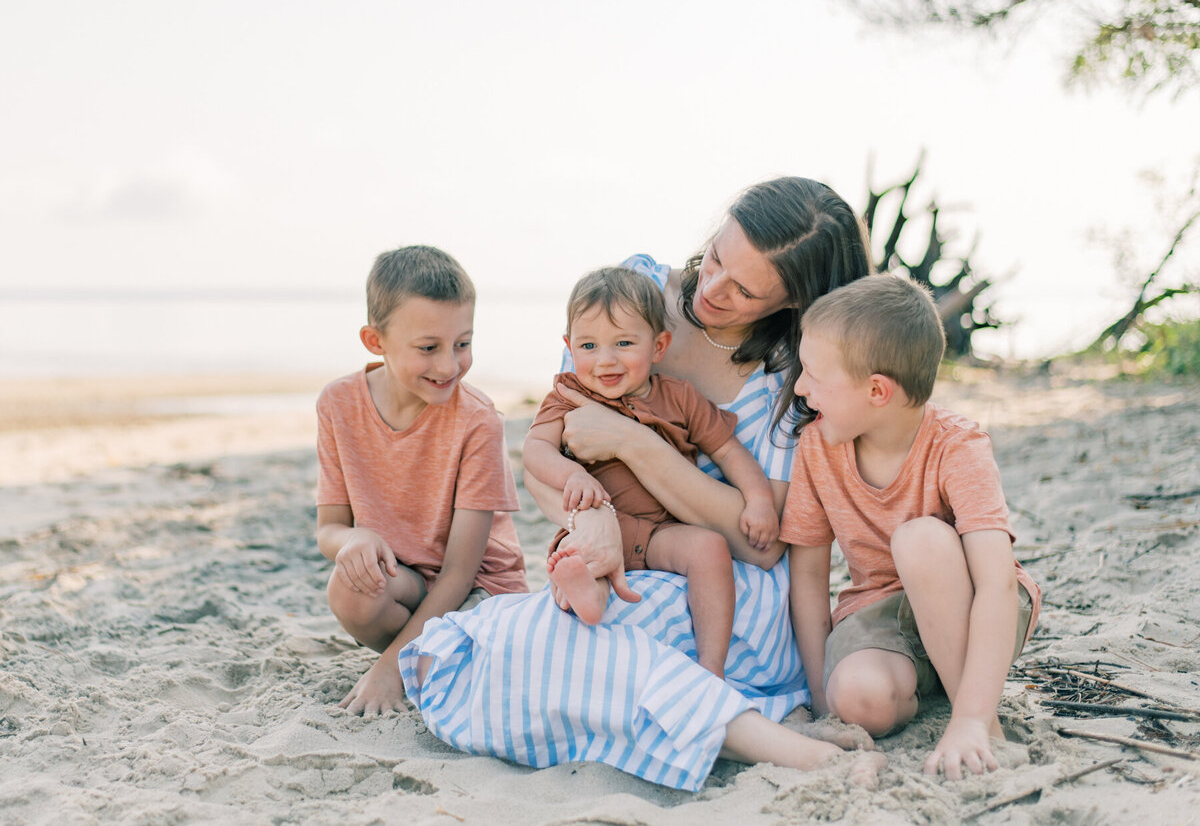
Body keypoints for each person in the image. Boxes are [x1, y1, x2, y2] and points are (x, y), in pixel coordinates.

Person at [399, 178, 882, 792]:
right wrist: (591, 517)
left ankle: (756, 734)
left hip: (728, 590)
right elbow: (553, 452)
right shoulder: (636, 291)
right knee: (550, 635)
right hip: (622, 552)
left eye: (743, 289)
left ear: (794, 302)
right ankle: (745, 731)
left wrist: (636, 445)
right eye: (715, 258)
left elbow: (759, 542)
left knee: (578, 646)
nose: (711, 289)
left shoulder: (792, 376)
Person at [782, 273, 1042, 781]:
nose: (799, 387)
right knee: (859, 698)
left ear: (877, 390)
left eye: (813, 374)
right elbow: (809, 579)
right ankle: (946, 689)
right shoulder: (817, 447)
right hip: (883, 619)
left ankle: (977, 717)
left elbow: (996, 583)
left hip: (971, 607)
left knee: (920, 539)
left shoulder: (957, 446)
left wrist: (970, 720)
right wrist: (822, 702)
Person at [524, 267, 780, 677]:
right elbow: (535, 451)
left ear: (659, 345)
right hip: (599, 524)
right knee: (581, 558)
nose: (606, 360)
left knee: (710, 549)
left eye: (624, 343)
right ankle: (585, 594)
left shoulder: (679, 398)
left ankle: (711, 668)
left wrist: (760, 500)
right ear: (569, 346)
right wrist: (570, 475)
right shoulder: (567, 395)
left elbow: (729, 451)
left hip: (661, 533)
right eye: (589, 345)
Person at [316, 245, 527, 716]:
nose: (449, 366)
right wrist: (354, 538)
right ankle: (422, 655)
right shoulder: (338, 404)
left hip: (479, 592)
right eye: (428, 348)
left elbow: (459, 574)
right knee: (348, 588)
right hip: (407, 583)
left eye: (463, 344)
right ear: (376, 341)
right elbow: (328, 528)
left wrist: (388, 669)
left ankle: (414, 662)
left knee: (479, 675)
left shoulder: (478, 421)